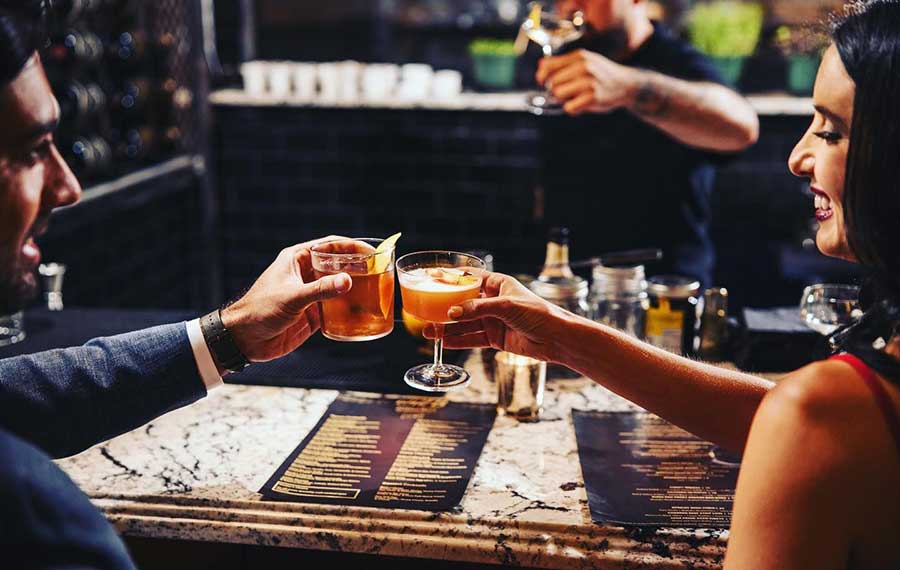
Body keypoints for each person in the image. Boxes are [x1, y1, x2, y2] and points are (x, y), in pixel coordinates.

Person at [432, 1, 900, 566]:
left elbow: (738, 122)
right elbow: (783, 417)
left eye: (831, 130)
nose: (798, 157)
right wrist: (563, 336)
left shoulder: (822, 412)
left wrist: (630, 88)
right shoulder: (825, 411)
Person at [0, 3, 351, 568]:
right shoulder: (33, 519)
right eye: (32, 150)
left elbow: (16, 398)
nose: (68, 188)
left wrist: (228, 336)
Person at [533, 0, 759, 286]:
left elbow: (742, 127)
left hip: (663, 290)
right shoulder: (567, 57)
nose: (571, 8)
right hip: (572, 283)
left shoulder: (676, 60)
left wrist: (630, 88)